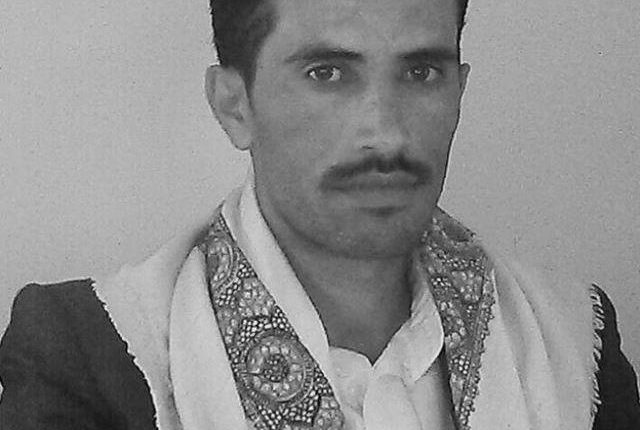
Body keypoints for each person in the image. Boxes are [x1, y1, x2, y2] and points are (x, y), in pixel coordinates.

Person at [0, 0, 638, 428]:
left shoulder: (571, 339)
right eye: (327, 73)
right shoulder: (90, 354)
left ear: (460, 90)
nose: (385, 134)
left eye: (421, 72)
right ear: (234, 105)